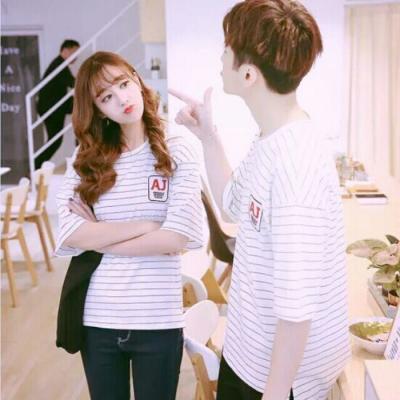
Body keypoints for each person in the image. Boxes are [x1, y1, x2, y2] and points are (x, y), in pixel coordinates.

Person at [170, 1, 350, 399]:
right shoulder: (273, 137)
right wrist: (208, 136)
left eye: (226, 49)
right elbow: (233, 203)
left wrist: (275, 393)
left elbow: (296, 309)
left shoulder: (295, 167)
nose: (220, 59)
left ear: (248, 74)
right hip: (250, 354)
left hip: (276, 378)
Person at [54, 51, 204, 400]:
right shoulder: (86, 158)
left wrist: (100, 235)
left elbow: (178, 236)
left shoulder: (177, 146)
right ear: (97, 109)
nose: (121, 99)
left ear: (136, 79)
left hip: (158, 319)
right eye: (106, 97)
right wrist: (150, 224)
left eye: (123, 84)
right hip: (98, 319)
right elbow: (71, 232)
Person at [35, 39, 80, 169]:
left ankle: (80, 145)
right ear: (65, 50)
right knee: (55, 141)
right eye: (74, 53)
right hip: (51, 107)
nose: (76, 57)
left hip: (54, 105)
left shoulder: (60, 64)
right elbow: (72, 82)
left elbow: (71, 82)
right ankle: (35, 166)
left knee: (82, 106)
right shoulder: (58, 65)